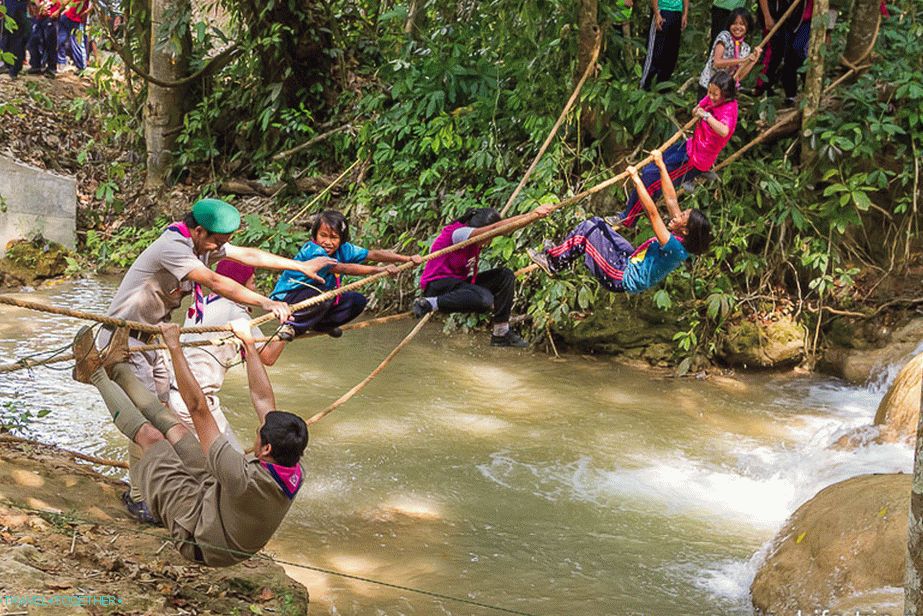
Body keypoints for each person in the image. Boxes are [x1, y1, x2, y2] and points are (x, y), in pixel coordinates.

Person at [99, 198, 331, 523]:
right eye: (217, 242)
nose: (221, 248)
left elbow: (248, 255)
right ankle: (140, 497)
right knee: (151, 423)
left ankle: (144, 488)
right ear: (198, 231)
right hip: (124, 339)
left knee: (162, 417)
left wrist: (299, 266)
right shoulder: (174, 246)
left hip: (152, 338)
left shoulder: (202, 244)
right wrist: (266, 302)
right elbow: (215, 281)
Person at [73, 320, 308, 567]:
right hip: (220, 506)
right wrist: (248, 344)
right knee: (177, 430)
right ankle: (118, 369)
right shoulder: (291, 464)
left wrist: (174, 346)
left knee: (152, 438)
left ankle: (94, 374)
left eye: (259, 433)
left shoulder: (243, 477)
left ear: (267, 449)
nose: (256, 431)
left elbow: (198, 408)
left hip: (200, 539)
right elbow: (262, 399)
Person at [528, 150, 712, 294]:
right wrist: (661, 165)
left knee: (587, 231)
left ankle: (553, 262)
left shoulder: (676, 249)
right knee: (598, 224)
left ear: (686, 231)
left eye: (682, 217)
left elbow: (653, 214)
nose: (677, 216)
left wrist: (636, 180)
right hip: (630, 259)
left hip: (620, 276)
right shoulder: (681, 234)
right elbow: (671, 199)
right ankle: (559, 254)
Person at [165, 259, 284, 453]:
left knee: (195, 460)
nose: (255, 288)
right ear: (238, 286)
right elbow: (268, 356)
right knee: (234, 463)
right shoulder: (234, 312)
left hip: (175, 395)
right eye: (252, 283)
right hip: (196, 401)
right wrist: (290, 330)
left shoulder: (201, 303)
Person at [412, 203, 555, 347]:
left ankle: (501, 332)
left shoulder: (474, 240)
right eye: (489, 237)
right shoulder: (459, 233)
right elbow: (496, 229)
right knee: (485, 300)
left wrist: (533, 216)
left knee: (505, 276)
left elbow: (498, 229)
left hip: (459, 285)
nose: (489, 241)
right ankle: (430, 302)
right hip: (438, 287)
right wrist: (531, 215)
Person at [268, 210, 423, 343]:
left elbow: (373, 254)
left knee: (357, 301)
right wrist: (376, 270)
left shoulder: (345, 249)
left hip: (318, 298)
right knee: (324, 294)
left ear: (341, 239)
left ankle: (322, 324)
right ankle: (290, 326)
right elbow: (341, 268)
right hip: (289, 299)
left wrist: (406, 259)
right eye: (323, 235)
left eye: (334, 237)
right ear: (315, 235)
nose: (327, 242)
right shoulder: (312, 249)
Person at [619, 71, 738, 229]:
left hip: (695, 159)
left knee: (651, 180)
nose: (710, 96)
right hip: (689, 145)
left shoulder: (729, 109)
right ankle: (632, 212)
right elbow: (696, 110)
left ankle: (627, 220)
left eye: (715, 94)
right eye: (709, 92)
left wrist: (706, 116)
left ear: (725, 94)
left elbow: (724, 130)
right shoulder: (711, 99)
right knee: (649, 170)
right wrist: (699, 111)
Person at [699, 9, 761, 100]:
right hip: (709, 87)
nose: (738, 27)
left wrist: (753, 60)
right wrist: (743, 60)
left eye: (742, 24)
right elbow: (717, 62)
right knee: (702, 113)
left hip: (724, 91)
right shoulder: (724, 37)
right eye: (734, 23)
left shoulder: (745, 48)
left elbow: (739, 76)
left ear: (748, 27)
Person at [755, 0, 806, 105]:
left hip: (785, 19)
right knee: (770, 52)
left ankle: (770, 89)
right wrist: (767, 16)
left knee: (782, 54)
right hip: (771, 15)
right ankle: (760, 89)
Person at [640, 0, 688, 90]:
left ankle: (663, 85)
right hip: (663, 10)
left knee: (671, 51)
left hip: (677, 12)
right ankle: (646, 85)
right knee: (656, 49)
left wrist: (685, 13)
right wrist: (657, 13)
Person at [55, 0, 90, 74]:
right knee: (61, 40)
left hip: (77, 19)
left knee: (77, 43)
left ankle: (81, 67)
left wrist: (86, 12)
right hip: (68, 16)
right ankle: (61, 62)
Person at [27, 0, 58, 77]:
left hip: (51, 16)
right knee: (33, 41)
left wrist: (57, 11)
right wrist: (36, 8)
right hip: (38, 16)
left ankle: (51, 68)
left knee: (50, 43)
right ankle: (36, 65)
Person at [2, 0, 30, 79]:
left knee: (16, 39)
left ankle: (14, 69)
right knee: (7, 37)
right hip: (10, 7)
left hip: (16, 8)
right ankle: (8, 65)